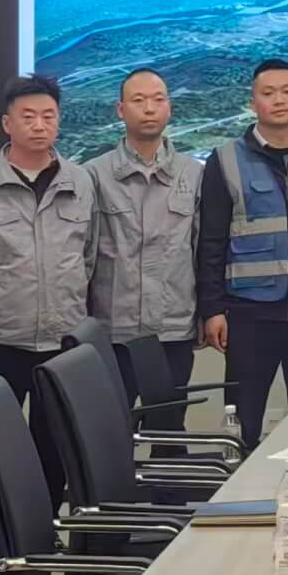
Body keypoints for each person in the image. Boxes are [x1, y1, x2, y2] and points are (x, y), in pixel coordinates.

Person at [0, 74, 97, 575]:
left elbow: (89, 256)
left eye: (48, 116)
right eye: (28, 116)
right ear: (7, 123)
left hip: (61, 339)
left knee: (53, 444)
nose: (39, 125)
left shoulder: (80, 181)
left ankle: (41, 532)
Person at [195, 59, 288, 448]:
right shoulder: (225, 159)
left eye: (287, 91)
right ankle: (240, 483)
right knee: (242, 421)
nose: (279, 100)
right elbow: (210, 241)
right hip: (250, 314)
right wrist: (212, 309)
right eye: (268, 93)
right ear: (253, 103)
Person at [85, 68, 203, 416]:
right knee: (110, 430)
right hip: (113, 331)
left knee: (169, 430)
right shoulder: (93, 175)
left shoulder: (194, 173)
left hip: (173, 329)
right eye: (138, 100)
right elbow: (83, 256)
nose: (149, 108)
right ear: (120, 110)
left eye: (158, 99)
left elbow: (204, 250)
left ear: (169, 107)